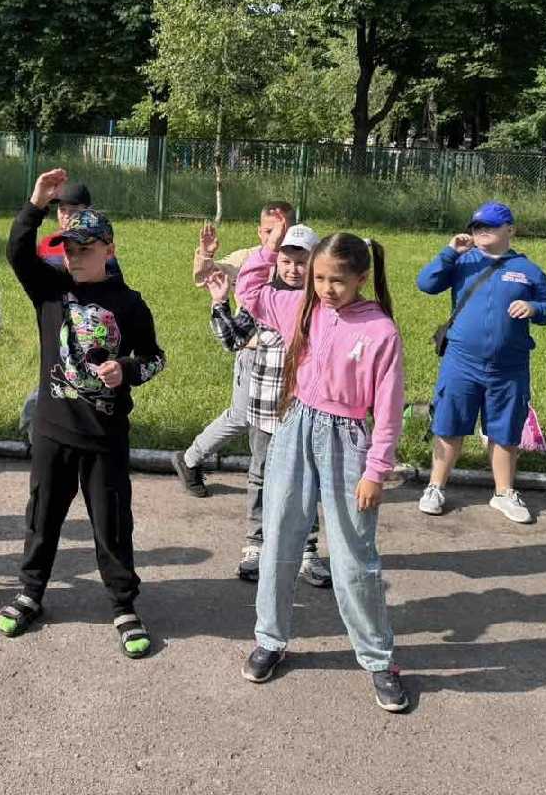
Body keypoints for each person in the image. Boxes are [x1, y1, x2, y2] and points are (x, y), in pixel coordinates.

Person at [235, 230, 409, 713]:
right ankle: (270, 638)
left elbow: (388, 410)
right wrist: (268, 248)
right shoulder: (302, 308)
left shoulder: (380, 331)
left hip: (347, 441)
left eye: (337, 280)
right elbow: (249, 292)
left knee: (354, 555)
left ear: (361, 278)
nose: (327, 289)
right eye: (319, 278)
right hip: (294, 427)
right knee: (279, 539)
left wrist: (376, 470)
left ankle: (378, 659)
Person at [0, 168, 166, 658]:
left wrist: (125, 370)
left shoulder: (129, 303)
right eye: (68, 249)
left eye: (84, 249)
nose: (73, 257)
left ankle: (123, 605)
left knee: (112, 524)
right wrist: (35, 204)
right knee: (42, 517)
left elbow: (155, 358)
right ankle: (30, 593)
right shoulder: (50, 289)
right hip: (53, 430)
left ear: (109, 248)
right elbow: (17, 252)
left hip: (104, 436)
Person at [195, 224, 330, 586]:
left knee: (306, 480)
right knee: (260, 476)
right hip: (265, 409)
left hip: (305, 412)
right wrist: (219, 302)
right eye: (286, 261)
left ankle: (306, 550)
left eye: (301, 262)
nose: (293, 269)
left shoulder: (322, 306)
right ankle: (255, 545)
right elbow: (233, 339)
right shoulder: (264, 299)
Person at [415, 201, 546, 523]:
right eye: (477, 226)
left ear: (510, 230)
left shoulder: (527, 269)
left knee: (505, 430)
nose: (481, 231)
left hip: (509, 367)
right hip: (461, 362)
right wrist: (449, 252)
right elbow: (426, 284)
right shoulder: (463, 261)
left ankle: (504, 493)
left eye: (490, 226)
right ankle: (435, 486)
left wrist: (534, 308)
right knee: (449, 423)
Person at [173, 202, 294, 497]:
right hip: (252, 351)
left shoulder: (300, 260)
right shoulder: (248, 258)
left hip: (288, 357)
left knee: (287, 420)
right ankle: (190, 459)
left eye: (283, 229)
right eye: (270, 231)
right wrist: (206, 255)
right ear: (260, 231)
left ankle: (281, 483)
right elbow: (206, 277)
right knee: (242, 416)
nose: (276, 236)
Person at [19, 180, 121, 441]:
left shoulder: (100, 248)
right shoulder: (48, 244)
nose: (65, 215)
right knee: (55, 372)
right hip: (56, 319)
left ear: (88, 210)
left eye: (72, 210)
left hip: (87, 327)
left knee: (77, 377)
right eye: (61, 209)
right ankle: (36, 429)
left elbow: (111, 288)